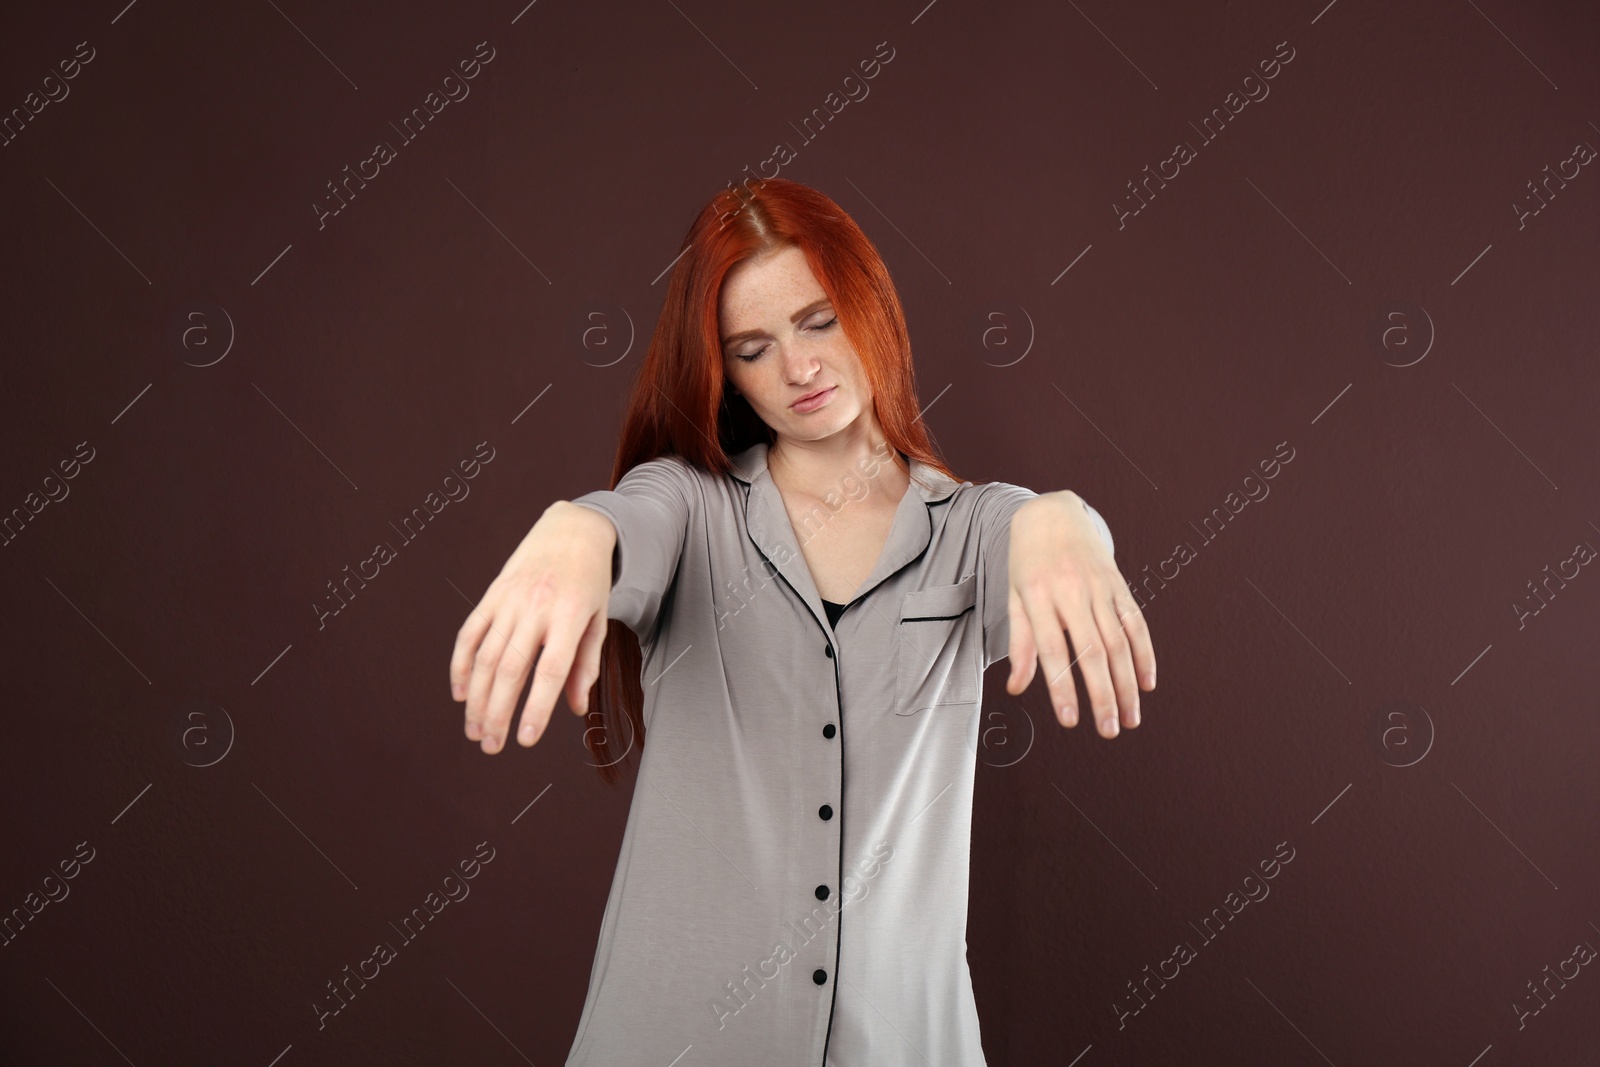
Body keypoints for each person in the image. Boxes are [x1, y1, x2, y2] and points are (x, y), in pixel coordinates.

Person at [448, 178, 1155, 1066]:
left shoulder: (968, 528)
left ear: (870, 304)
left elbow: (1033, 531)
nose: (799, 369)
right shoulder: (691, 507)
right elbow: (630, 522)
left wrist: (1068, 520)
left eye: (819, 321)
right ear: (727, 370)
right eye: (754, 347)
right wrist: (575, 528)